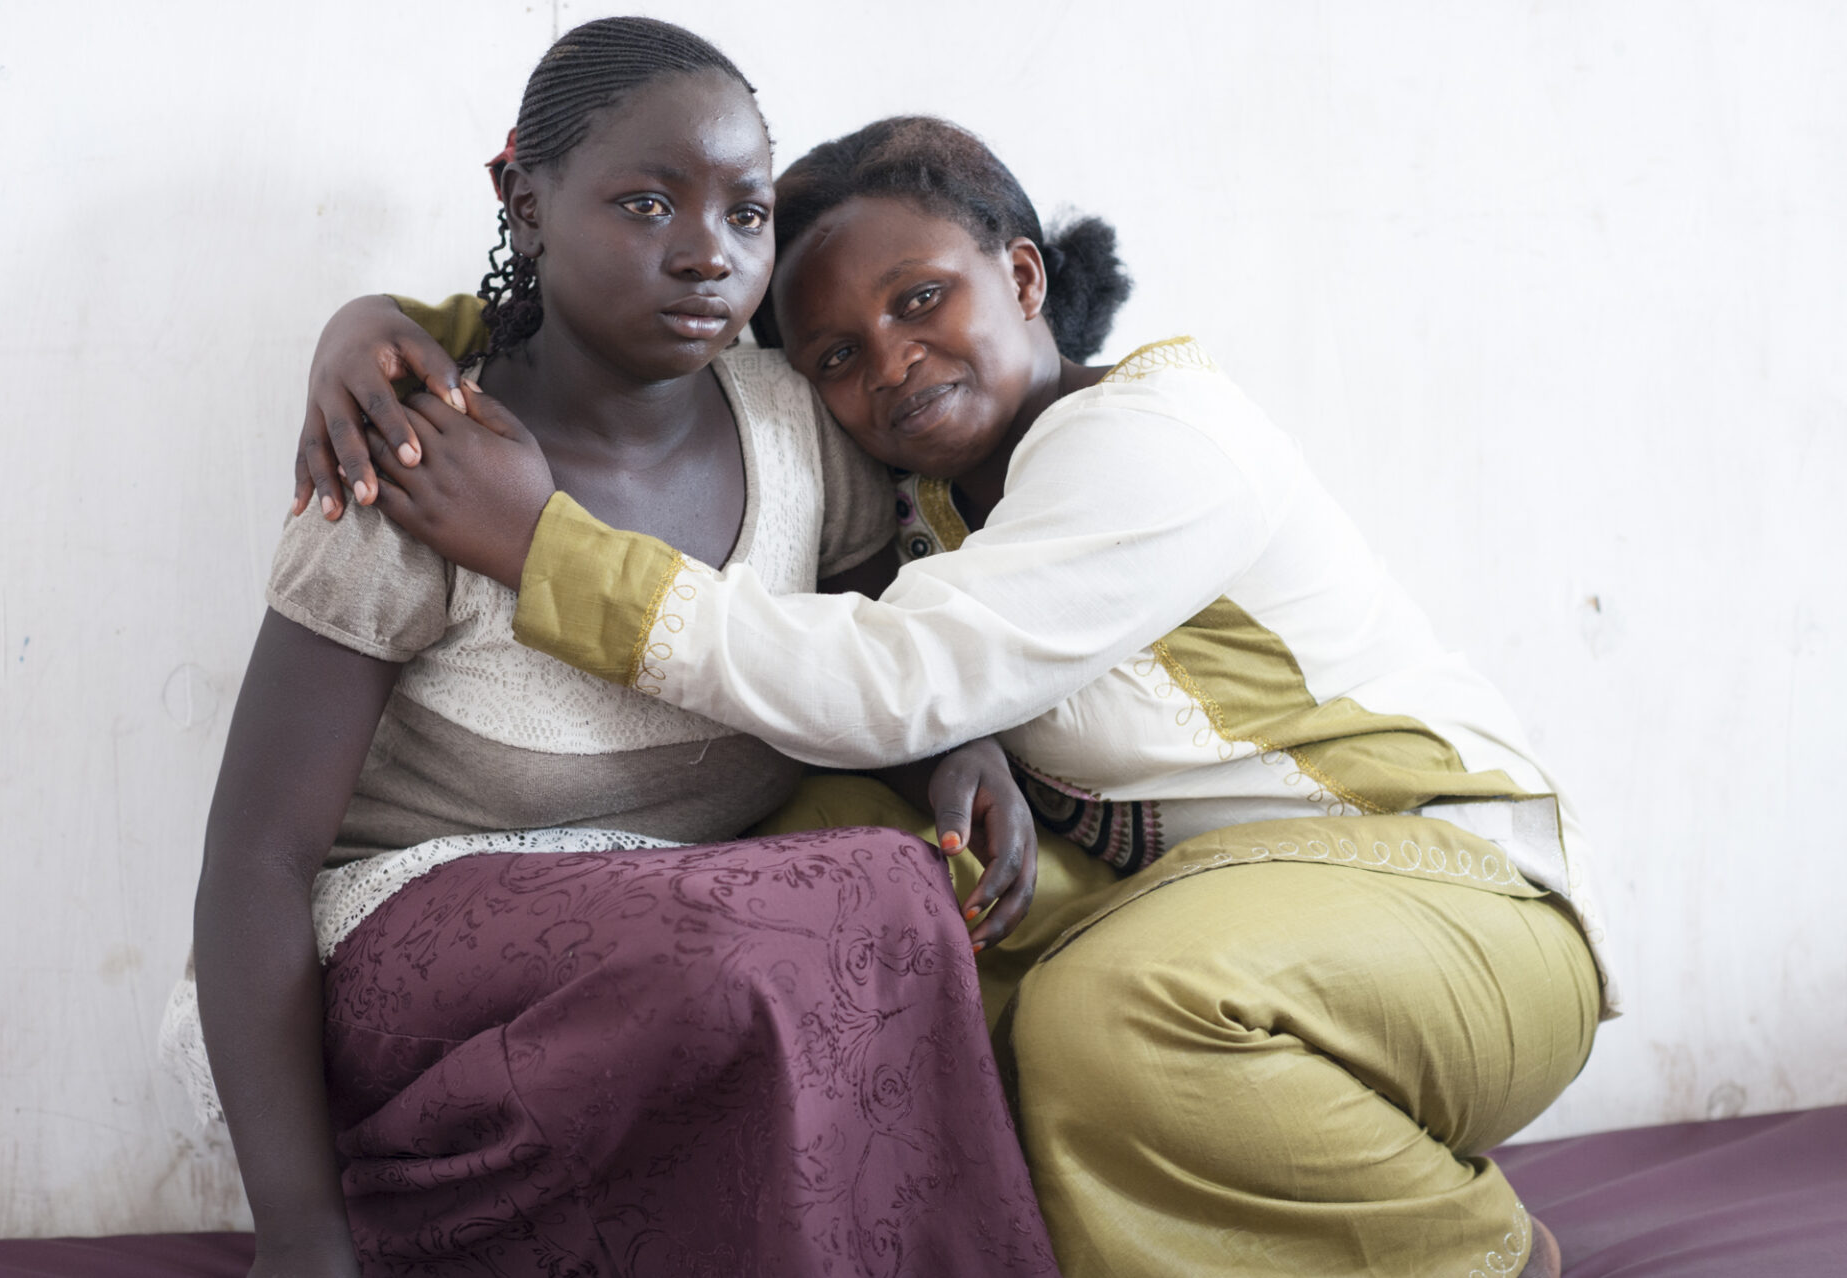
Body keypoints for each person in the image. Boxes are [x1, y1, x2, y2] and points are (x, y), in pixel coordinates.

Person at [300, 114, 1616, 1278]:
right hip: (1184, 909)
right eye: (836, 355)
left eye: (922, 298)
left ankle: (1473, 1254)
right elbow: (620, 336)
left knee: (1121, 1012)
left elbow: (897, 675)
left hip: (1449, 902)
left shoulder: (1157, 441)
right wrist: (387, 333)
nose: (893, 359)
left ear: (1022, 276)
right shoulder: (924, 498)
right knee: (849, 858)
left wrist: (547, 549)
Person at [171, 27, 1063, 1278]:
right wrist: (297, 1234)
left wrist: (957, 752)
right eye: (648, 204)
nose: (708, 252)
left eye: (746, 213)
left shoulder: (796, 431)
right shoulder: (422, 463)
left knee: (889, 893)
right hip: (416, 971)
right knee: (787, 920)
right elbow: (254, 860)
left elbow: (870, 652)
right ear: (524, 207)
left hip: (691, 951)